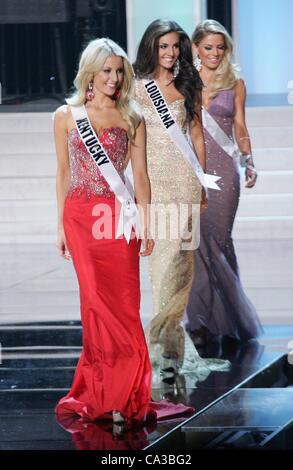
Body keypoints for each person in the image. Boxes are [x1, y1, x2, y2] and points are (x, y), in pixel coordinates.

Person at [54, 37, 193, 427]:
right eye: (106, 71)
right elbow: (63, 174)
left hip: (120, 218)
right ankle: (101, 389)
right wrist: (60, 225)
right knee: (96, 306)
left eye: (119, 71)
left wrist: (146, 223)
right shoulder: (66, 116)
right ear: (90, 74)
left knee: (125, 305)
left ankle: (127, 389)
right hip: (82, 219)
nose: (114, 78)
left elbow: (142, 177)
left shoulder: (132, 117)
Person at [134, 19, 229, 378]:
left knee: (182, 267)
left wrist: (202, 183)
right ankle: (159, 346)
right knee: (163, 264)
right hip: (155, 185)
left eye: (175, 46)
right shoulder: (139, 88)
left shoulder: (189, 83)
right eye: (164, 46)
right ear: (152, 48)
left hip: (186, 184)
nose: (171, 53)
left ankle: (168, 349)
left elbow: (198, 136)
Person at [186, 20, 262, 344]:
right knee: (196, 246)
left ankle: (225, 318)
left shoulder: (236, 83)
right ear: (196, 49)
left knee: (218, 241)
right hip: (192, 170)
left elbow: (240, 126)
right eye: (208, 47)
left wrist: (249, 159)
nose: (215, 53)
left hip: (225, 173)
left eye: (220, 47)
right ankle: (201, 320)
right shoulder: (184, 83)